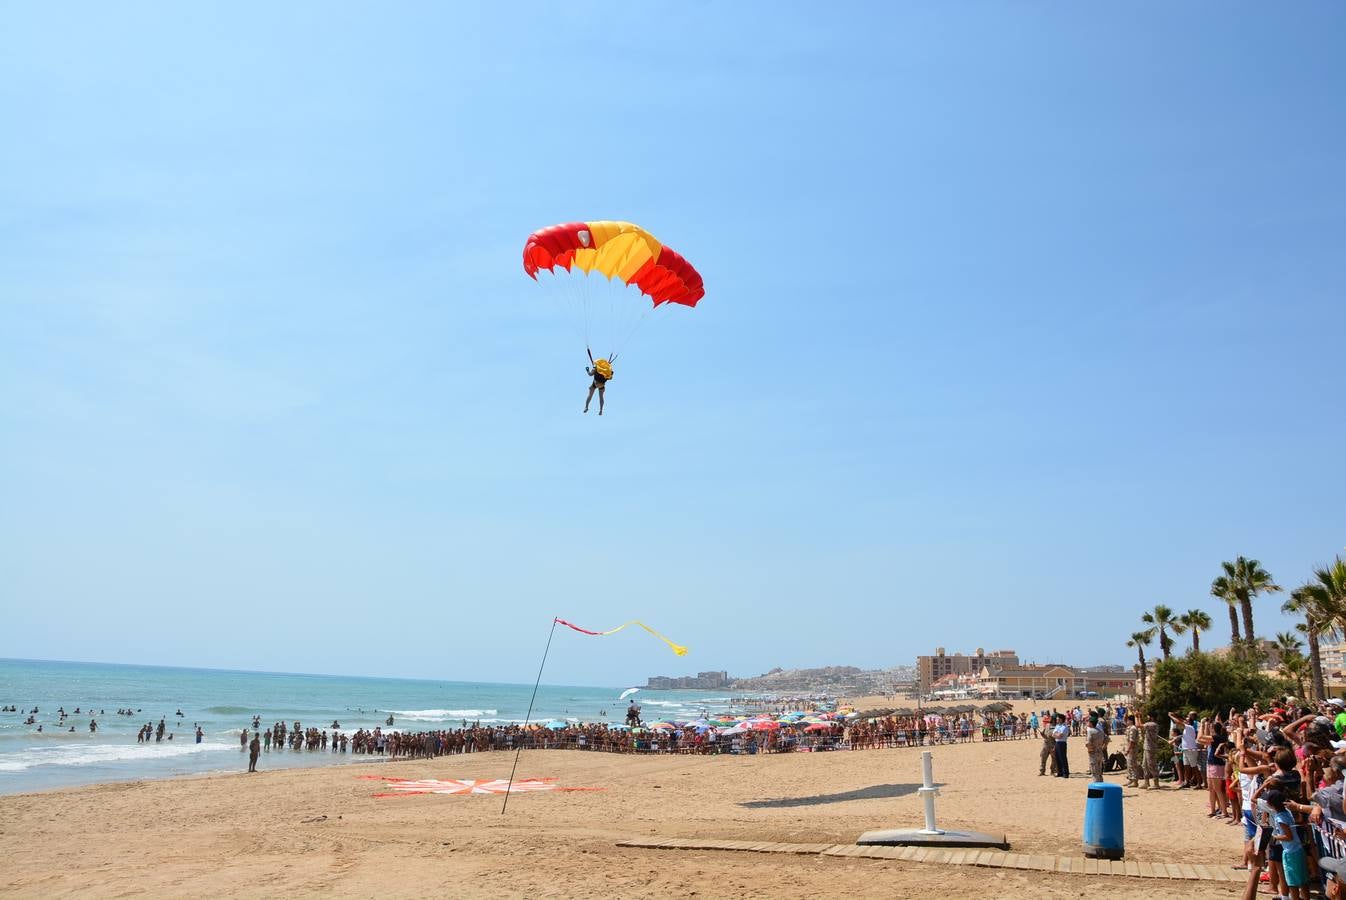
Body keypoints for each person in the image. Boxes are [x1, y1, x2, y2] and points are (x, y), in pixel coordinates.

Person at [1124, 714, 1142, 788]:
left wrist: (1128, 749)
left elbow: (1132, 741)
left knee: (1133, 764)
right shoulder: (1130, 728)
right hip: (1129, 747)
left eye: (1128, 720)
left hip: (1132, 749)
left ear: (1131, 721)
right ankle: (1131, 779)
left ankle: (1135, 781)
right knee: (1129, 764)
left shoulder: (1133, 728)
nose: (1127, 721)